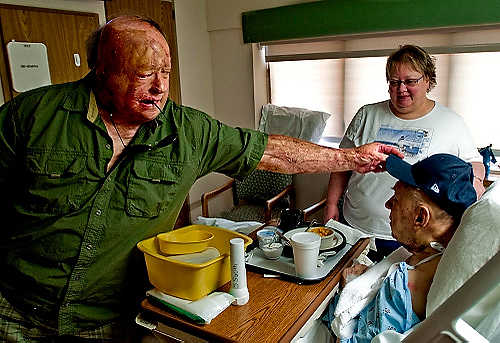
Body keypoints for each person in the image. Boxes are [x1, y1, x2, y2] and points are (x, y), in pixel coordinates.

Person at [0, 16, 401, 342]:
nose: (159, 88)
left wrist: (352, 156)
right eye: (143, 74)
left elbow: (271, 150)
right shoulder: (32, 116)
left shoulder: (188, 132)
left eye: (165, 72)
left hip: (110, 317)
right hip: (14, 307)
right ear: (102, 71)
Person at [324, 44, 484, 261]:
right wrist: (332, 204)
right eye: (394, 82)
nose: (401, 89)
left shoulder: (451, 123)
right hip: (355, 227)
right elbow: (342, 164)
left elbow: (473, 164)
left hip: (411, 240)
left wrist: (473, 192)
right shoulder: (366, 114)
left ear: (428, 80)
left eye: (410, 81)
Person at [323, 153, 477, 342]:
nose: (388, 204)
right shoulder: (440, 257)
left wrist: (349, 286)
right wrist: (372, 275)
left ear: (421, 217)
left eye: (396, 199)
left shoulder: (405, 285)